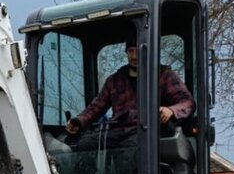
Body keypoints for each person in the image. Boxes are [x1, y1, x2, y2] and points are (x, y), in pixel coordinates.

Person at [65, 39, 195, 145]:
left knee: (128, 149)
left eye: (138, 51)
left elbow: (188, 102)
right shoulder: (114, 80)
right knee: (85, 144)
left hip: (150, 130)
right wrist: (79, 121)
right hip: (119, 130)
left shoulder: (164, 75)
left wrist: (170, 110)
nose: (134, 56)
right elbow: (96, 107)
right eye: (131, 51)